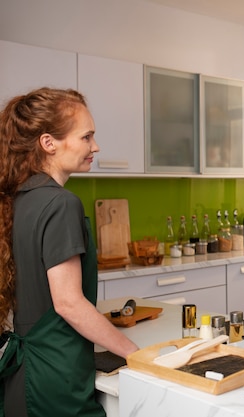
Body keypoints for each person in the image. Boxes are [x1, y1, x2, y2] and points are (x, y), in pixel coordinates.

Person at [0, 87, 139, 416]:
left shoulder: (15, 200)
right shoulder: (60, 203)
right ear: (48, 143)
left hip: (21, 373)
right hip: (56, 376)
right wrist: (136, 353)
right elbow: (68, 303)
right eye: (86, 137)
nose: (96, 146)